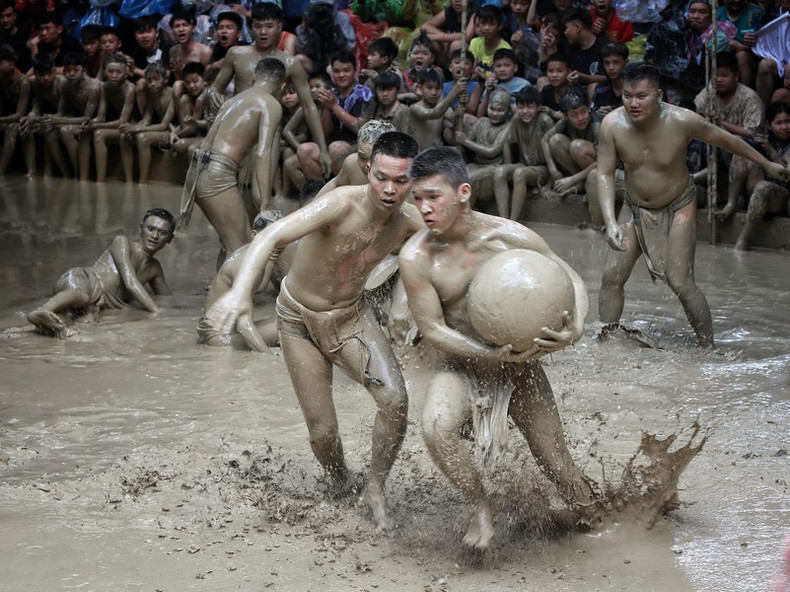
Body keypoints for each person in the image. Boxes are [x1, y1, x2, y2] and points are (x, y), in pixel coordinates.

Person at [203, 132, 424, 532]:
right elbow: (271, 235)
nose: (390, 190)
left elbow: (458, 242)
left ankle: (375, 487)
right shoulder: (339, 204)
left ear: (414, 180)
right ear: (368, 170)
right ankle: (339, 481)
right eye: (382, 178)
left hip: (350, 317)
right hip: (298, 320)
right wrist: (239, 294)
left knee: (395, 400)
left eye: (402, 180)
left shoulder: (411, 219)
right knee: (323, 434)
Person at [399, 146, 595, 551]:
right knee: (436, 428)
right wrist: (489, 353)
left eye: (433, 197)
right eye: (416, 199)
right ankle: (481, 506)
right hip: (460, 363)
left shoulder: (508, 236)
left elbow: (570, 276)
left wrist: (575, 325)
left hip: (520, 368)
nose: (424, 209)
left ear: (464, 192)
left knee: (558, 465)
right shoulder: (416, 257)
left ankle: (602, 525)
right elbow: (433, 330)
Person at [596, 62, 790, 347]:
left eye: (641, 96)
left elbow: (728, 141)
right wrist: (610, 222)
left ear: (659, 95)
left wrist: (766, 164)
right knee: (611, 276)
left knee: (681, 282)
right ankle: (606, 340)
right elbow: (604, 173)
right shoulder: (612, 124)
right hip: (635, 207)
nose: (633, 103)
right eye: (627, 96)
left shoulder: (682, 120)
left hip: (678, 204)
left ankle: (707, 349)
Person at [179, 57, 287, 265]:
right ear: (282, 85)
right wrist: (265, 203)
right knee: (240, 248)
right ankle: (225, 296)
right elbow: (263, 153)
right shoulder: (270, 104)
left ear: (255, 77)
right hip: (217, 174)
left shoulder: (233, 100)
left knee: (230, 243)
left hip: (197, 171)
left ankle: (217, 290)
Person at [210, 2, 331, 178]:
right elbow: (216, 88)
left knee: (260, 195)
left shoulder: (290, 63)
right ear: (251, 28)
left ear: (279, 27)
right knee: (228, 185)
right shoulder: (236, 54)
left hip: (269, 130)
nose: (263, 32)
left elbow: (308, 106)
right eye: (258, 26)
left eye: (269, 26)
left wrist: (323, 148)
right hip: (237, 127)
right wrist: (213, 97)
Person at [26, 208, 176, 338]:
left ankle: (51, 321)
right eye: (151, 229)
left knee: (71, 324)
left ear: (170, 239)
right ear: (141, 228)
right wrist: (157, 311)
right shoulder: (122, 242)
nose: (155, 236)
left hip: (94, 305)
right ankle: (43, 310)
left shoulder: (155, 269)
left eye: (162, 233)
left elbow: (167, 299)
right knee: (83, 297)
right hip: (85, 280)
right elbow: (130, 283)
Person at [734, 101, 790, 250]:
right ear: (769, 125)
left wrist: (771, 151)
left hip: (782, 196)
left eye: (787, 122)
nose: (784, 127)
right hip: (756, 192)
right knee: (743, 157)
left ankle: (743, 240)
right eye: (779, 123)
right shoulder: (763, 140)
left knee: (762, 187)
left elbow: (787, 174)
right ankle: (732, 203)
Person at [494, 87, 554, 220]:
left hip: (542, 169)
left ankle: (513, 223)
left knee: (520, 173)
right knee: (500, 172)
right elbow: (507, 143)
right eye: (521, 107)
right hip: (524, 165)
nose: (524, 111)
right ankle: (503, 220)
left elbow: (553, 156)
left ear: (538, 107)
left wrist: (549, 184)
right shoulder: (516, 119)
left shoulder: (545, 121)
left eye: (529, 107)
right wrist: (509, 164)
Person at [455, 89, 512, 210]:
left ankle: (467, 213)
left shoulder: (508, 126)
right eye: (492, 109)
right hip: (476, 164)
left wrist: (465, 140)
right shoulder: (482, 122)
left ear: (508, 111)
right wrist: (459, 117)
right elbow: (464, 146)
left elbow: (492, 151)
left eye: (500, 110)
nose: (495, 113)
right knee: (454, 176)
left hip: (494, 167)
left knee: (470, 180)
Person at [121, 62, 176, 185]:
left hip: (172, 132)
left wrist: (137, 130)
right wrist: (134, 127)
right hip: (160, 130)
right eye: (149, 80)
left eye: (156, 79)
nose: (152, 83)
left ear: (165, 79)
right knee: (124, 136)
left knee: (142, 138)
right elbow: (147, 118)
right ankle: (129, 181)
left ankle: (143, 181)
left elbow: (164, 125)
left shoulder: (172, 94)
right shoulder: (153, 95)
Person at [541, 87, 601, 197]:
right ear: (565, 116)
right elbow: (545, 140)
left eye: (583, 112)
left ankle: (583, 182)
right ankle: (581, 183)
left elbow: (603, 161)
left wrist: (572, 180)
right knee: (555, 140)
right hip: (581, 169)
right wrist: (553, 171)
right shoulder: (564, 122)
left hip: (601, 168)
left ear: (588, 108)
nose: (581, 118)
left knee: (577, 146)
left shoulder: (597, 126)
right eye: (574, 115)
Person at [315, 119, 397, 198]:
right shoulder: (352, 164)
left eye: (374, 159)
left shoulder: (404, 175)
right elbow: (334, 185)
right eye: (363, 158)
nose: (368, 165)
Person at [88, 53, 136, 184]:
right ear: (105, 72)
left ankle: (130, 181)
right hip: (118, 126)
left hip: (132, 125)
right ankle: (100, 180)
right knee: (93, 133)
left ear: (126, 73)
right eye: (111, 71)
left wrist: (96, 126)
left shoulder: (130, 88)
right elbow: (101, 116)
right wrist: (89, 122)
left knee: (101, 133)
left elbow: (122, 121)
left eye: (118, 72)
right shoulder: (106, 87)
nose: (114, 75)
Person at [19, 52, 67, 177]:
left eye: (49, 73)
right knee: (26, 127)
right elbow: (36, 105)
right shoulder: (36, 84)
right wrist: (31, 116)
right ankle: (31, 170)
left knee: (48, 129)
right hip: (51, 117)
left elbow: (62, 112)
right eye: (42, 75)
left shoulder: (62, 83)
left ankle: (63, 172)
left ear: (54, 70)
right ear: (35, 73)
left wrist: (39, 118)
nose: (46, 78)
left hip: (68, 117)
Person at [0, 45, 31, 176]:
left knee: (12, 127)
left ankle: (1, 171)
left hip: (22, 119)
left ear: (12, 64)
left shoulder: (24, 82)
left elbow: (20, 114)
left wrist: (2, 119)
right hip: (5, 118)